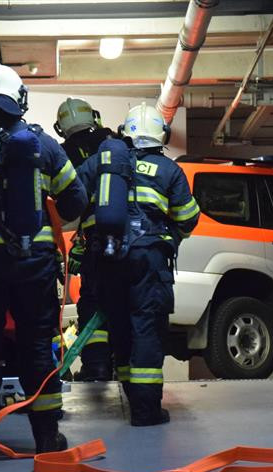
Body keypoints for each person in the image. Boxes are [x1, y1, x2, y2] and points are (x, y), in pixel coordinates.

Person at [0, 63, 87, 459]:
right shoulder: (44, 144)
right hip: (34, 264)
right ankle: (47, 438)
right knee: (37, 346)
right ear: (19, 98)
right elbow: (75, 199)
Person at [77, 102, 199, 426]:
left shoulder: (103, 163)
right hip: (148, 259)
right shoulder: (169, 170)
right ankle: (145, 411)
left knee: (119, 328)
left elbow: (72, 198)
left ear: (125, 133)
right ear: (162, 135)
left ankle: (131, 395)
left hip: (106, 258)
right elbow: (188, 218)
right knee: (146, 329)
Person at [54, 98, 115, 381]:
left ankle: (97, 366)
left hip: (96, 241)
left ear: (61, 126)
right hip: (130, 239)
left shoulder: (63, 153)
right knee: (125, 302)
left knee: (92, 302)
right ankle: (124, 364)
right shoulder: (114, 143)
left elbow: (69, 203)